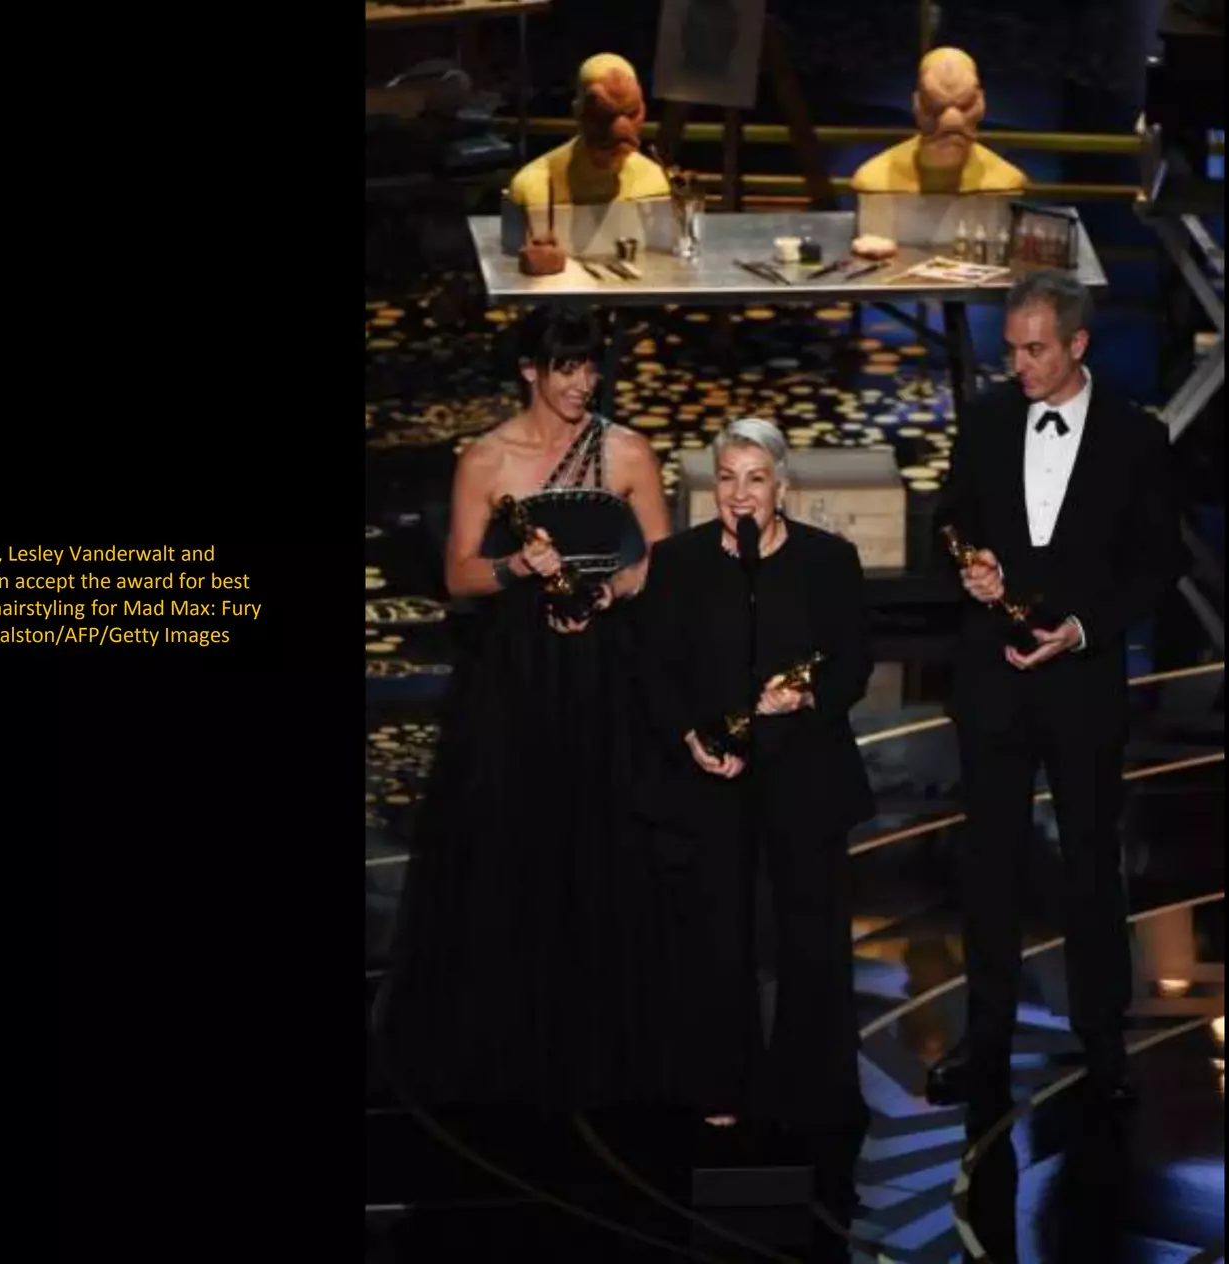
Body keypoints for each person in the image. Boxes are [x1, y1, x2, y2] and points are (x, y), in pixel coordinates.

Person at [372, 305, 672, 1116]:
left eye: (591, 368)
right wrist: (516, 569)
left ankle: (603, 1037)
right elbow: (460, 575)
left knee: (601, 842)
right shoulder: (486, 459)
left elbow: (661, 563)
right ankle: (504, 1036)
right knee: (513, 841)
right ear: (530, 371)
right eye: (566, 368)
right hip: (515, 676)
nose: (583, 383)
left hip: (603, 671)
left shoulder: (627, 453)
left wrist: (610, 586)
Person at [926, 271, 1187, 1107]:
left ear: (1078, 345)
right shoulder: (990, 419)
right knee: (990, 868)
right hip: (994, 683)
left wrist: (1081, 630)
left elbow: (1158, 564)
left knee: (1088, 870)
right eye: (1011, 349)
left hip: (1081, 687)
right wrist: (967, 559)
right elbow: (949, 517)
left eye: (1036, 349)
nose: (1021, 365)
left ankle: (1102, 1044)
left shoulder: (1137, 438)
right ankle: (987, 1041)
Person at [633, 418, 875, 1135]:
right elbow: (653, 668)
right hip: (712, 774)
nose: (741, 495)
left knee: (811, 934)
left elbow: (854, 662)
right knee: (716, 936)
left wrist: (808, 698)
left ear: (782, 487)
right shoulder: (677, 563)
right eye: (728, 480)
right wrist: (688, 736)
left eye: (756, 479)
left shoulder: (829, 561)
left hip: (805, 770)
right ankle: (717, 1080)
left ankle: (814, 1083)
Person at [849, 47, 1027, 195]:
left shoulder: (1006, 181)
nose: (951, 122)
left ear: (981, 102)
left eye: (964, 106)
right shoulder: (872, 179)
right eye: (936, 107)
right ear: (917, 104)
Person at [507, 54, 670, 210]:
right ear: (578, 112)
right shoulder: (534, 186)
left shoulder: (654, 182)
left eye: (632, 113)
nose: (621, 129)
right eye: (603, 115)